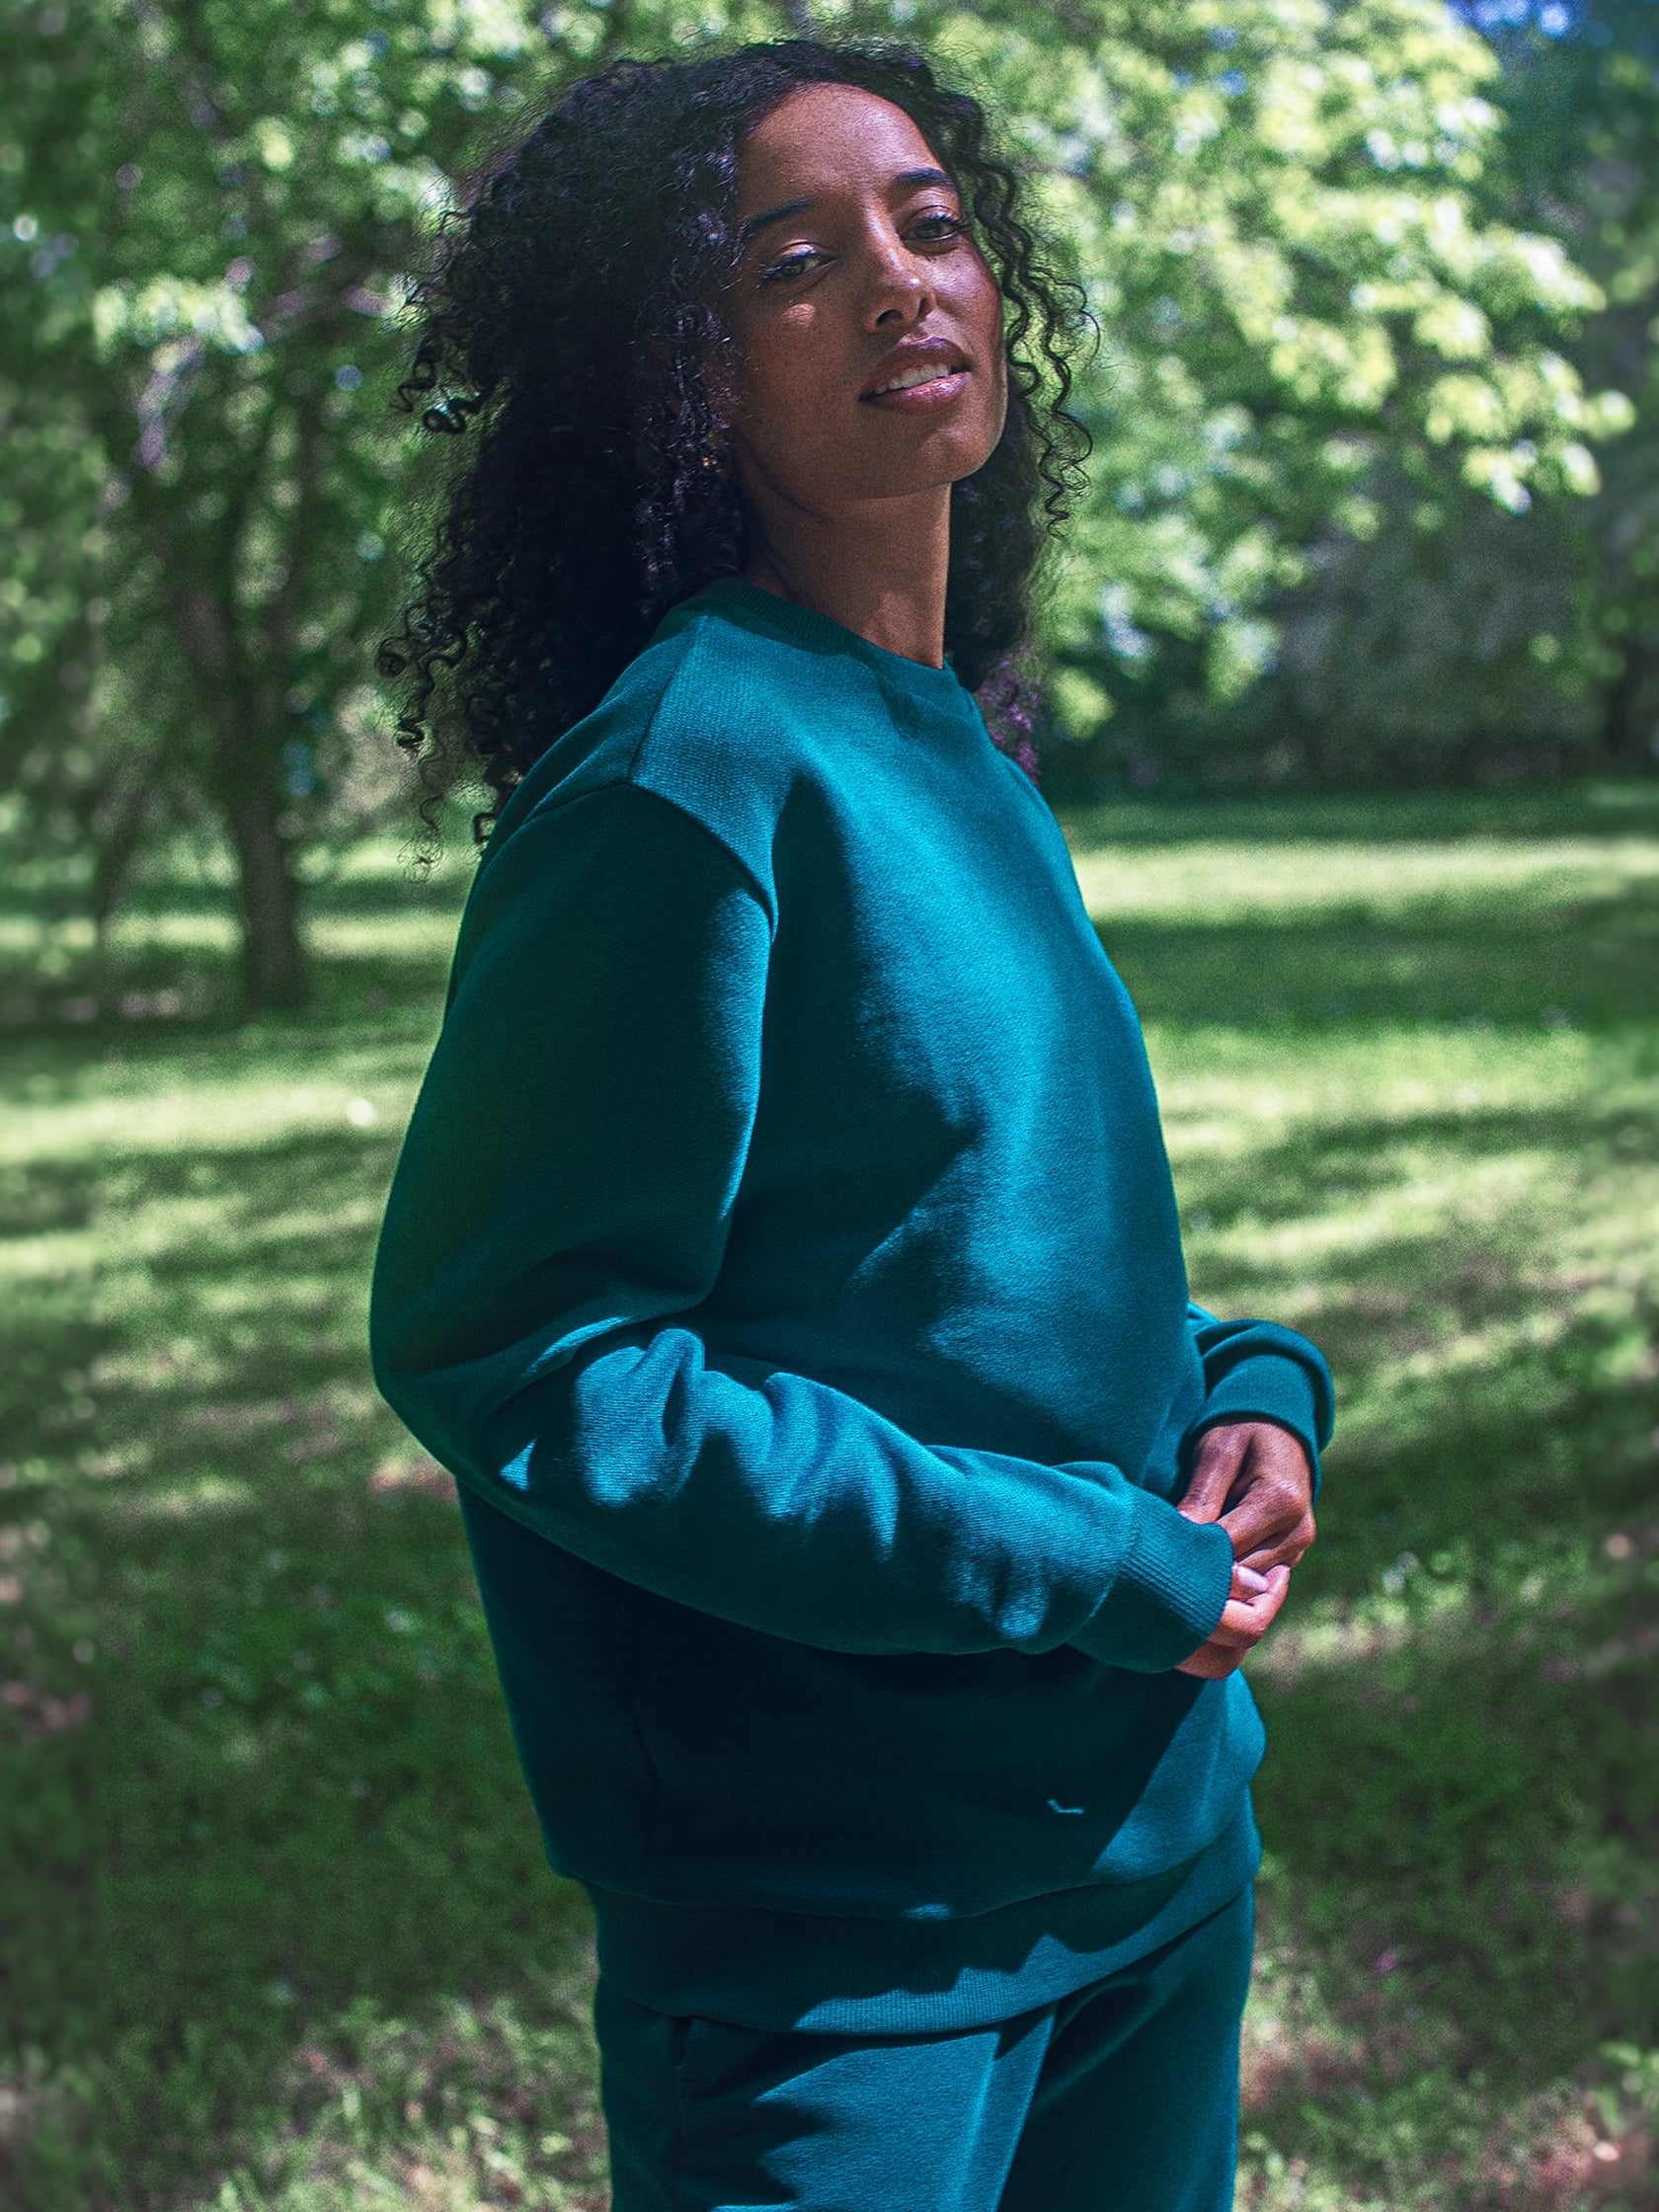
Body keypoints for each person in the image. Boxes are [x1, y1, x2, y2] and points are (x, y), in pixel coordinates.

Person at [370, 38, 1333, 2212]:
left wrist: (1241, 1391)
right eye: (793, 258)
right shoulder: (682, 778)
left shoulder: (959, 746)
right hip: (849, 1945)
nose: (903, 281)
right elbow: (522, 1350)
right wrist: (1082, 1556)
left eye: (931, 221)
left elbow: (968, 1260)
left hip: (1157, 1844)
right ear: (680, 373)